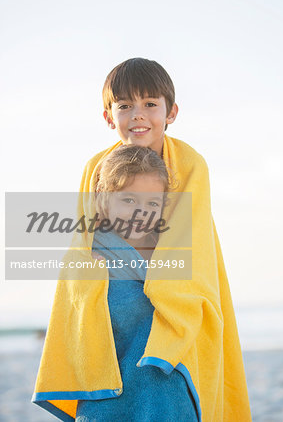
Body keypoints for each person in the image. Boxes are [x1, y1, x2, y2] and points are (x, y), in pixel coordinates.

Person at [32, 58, 252, 421]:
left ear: (171, 112)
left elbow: (186, 233)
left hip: (164, 286)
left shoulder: (188, 163)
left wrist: (161, 285)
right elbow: (84, 236)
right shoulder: (96, 166)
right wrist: (90, 276)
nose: (138, 115)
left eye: (150, 104)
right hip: (113, 293)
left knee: (166, 383)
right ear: (108, 116)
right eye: (125, 106)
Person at [74, 144, 198, 421]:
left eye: (152, 203)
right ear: (104, 201)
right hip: (109, 393)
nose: (141, 212)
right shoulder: (92, 253)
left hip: (167, 388)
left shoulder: (170, 252)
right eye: (128, 200)